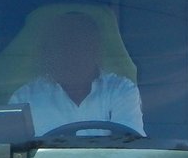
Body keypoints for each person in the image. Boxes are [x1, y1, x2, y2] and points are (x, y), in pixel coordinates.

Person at [9, 10, 144, 136]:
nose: (71, 54)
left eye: (79, 46)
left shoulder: (121, 90)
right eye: (62, 46)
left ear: (95, 50)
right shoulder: (25, 99)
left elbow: (132, 150)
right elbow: (13, 155)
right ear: (48, 53)